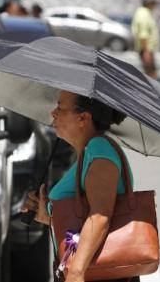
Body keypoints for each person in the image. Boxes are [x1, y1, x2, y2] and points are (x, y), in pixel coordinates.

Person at [22, 91, 138, 282]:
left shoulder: (100, 151)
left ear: (83, 118)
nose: (53, 113)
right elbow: (80, 221)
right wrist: (47, 214)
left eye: (60, 107)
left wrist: (76, 273)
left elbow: (100, 216)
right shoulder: (88, 152)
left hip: (95, 274)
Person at [131, 0, 159, 78]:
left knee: (150, 73)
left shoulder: (143, 13)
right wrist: (146, 52)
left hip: (147, 48)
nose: (155, 7)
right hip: (146, 48)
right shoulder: (144, 15)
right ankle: (152, 90)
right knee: (151, 74)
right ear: (150, 4)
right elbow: (143, 34)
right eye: (154, 4)